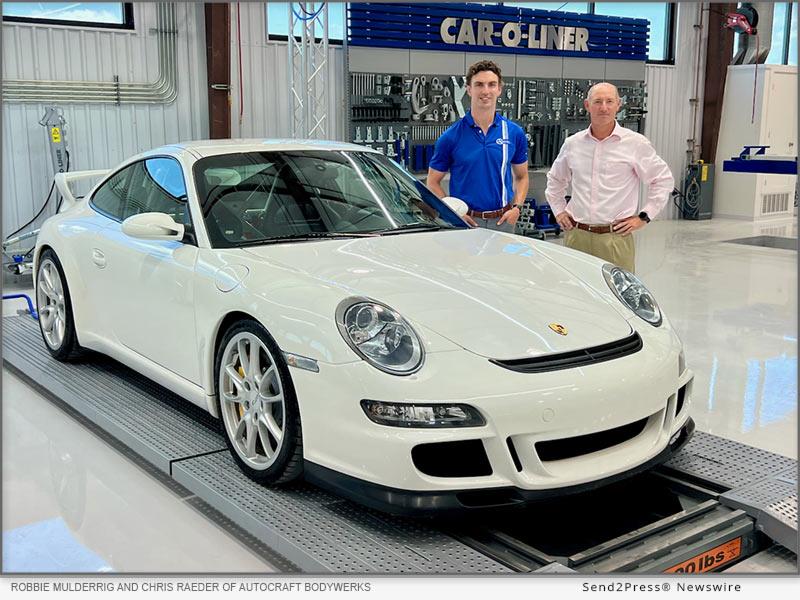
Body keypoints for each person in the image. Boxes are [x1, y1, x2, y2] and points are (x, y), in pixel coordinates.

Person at [545, 82, 673, 273]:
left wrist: (644, 216)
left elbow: (662, 180)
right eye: (597, 102)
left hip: (615, 239)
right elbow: (555, 180)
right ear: (587, 105)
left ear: (618, 105)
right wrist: (559, 211)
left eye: (609, 101)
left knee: (616, 290)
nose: (603, 108)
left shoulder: (635, 144)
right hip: (577, 236)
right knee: (575, 290)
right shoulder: (573, 144)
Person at [427, 60, 529, 231]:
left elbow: (522, 177)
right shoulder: (451, 137)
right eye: (479, 84)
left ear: (499, 89)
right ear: (469, 89)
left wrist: (517, 208)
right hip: (466, 222)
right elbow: (432, 182)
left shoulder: (513, 133)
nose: (485, 91)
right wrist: (453, 213)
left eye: (492, 84)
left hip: (504, 221)